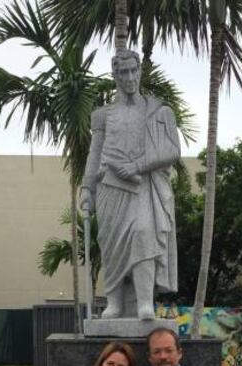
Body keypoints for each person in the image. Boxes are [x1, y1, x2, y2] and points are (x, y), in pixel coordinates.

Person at [80, 49, 180, 320]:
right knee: (111, 243)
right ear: (115, 75)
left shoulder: (158, 111)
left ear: (140, 71)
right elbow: (95, 152)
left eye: (134, 71)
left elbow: (173, 150)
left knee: (143, 234)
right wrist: (86, 189)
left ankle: (145, 302)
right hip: (110, 187)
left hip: (144, 186)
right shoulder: (102, 115)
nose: (130, 77)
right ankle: (115, 304)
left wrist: (137, 166)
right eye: (123, 72)